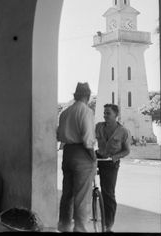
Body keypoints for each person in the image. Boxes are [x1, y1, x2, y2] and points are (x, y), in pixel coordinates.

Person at [57, 82, 97, 232]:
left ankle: (63, 226)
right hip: (81, 153)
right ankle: (80, 228)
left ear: (75, 95)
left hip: (68, 153)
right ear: (87, 95)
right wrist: (93, 157)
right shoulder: (86, 111)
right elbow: (87, 139)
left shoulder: (65, 112)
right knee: (81, 195)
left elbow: (59, 134)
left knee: (67, 194)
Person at [95, 104, 130, 232]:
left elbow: (126, 151)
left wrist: (115, 157)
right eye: (104, 113)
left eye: (108, 113)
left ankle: (108, 225)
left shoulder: (123, 131)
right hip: (99, 156)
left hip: (111, 162)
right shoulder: (98, 126)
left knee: (108, 193)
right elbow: (89, 139)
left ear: (116, 115)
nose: (105, 115)